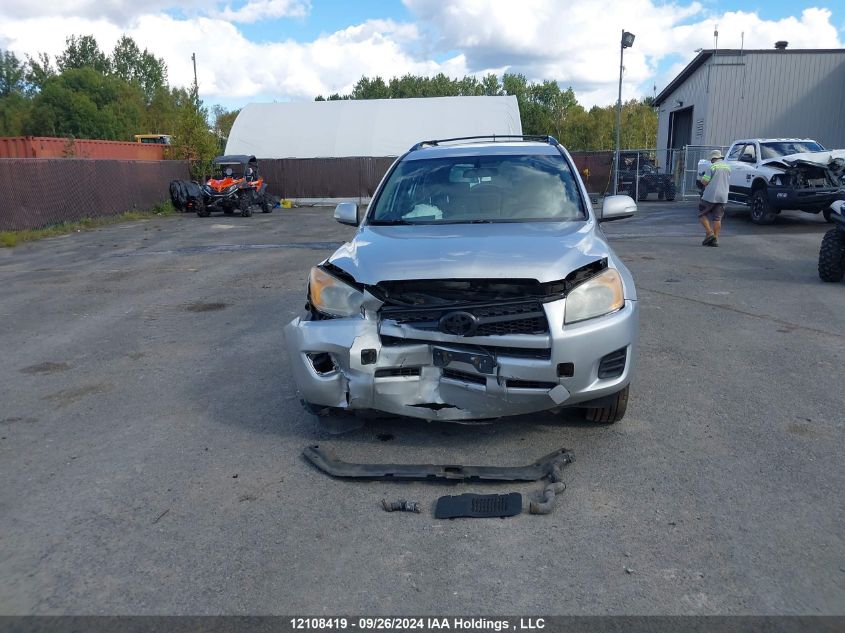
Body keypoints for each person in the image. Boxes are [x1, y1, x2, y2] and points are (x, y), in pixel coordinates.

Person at [698, 149, 730, 246]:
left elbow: (705, 182)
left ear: (713, 159)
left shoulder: (712, 167)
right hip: (723, 196)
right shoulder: (728, 167)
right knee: (717, 218)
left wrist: (702, 178)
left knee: (701, 214)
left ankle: (709, 232)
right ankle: (715, 239)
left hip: (710, 195)